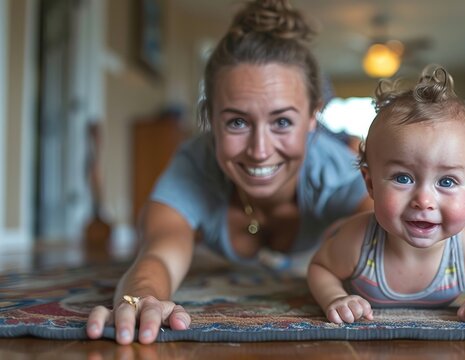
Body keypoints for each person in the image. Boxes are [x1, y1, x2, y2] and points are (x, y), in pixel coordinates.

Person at [86, 0, 372, 345]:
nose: (260, 150)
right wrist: (141, 298)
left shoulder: (342, 175)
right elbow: (159, 253)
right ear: (210, 119)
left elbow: (388, 254)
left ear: (313, 118)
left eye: (282, 121)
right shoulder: (193, 168)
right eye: (237, 122)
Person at [307, 64, 465, 325]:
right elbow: (320, 268)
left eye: (447, 181)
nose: (424, 201)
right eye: (403, 178)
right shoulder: (358, 243)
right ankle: (334, 227)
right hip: (341, 235)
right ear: (370, 184)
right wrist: (334, 297)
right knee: (336, 235)